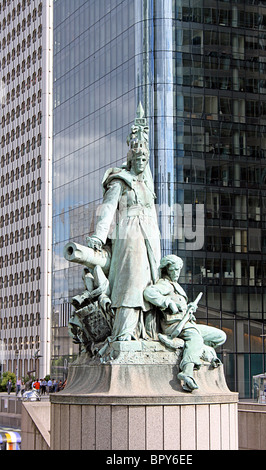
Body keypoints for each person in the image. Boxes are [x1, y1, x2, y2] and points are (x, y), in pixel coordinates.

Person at [87, 104, 161, 342]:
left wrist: (143, 131)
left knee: (151, 282)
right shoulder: (120, 180)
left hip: (150, 234)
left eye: (144, 157)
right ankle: (125, 332)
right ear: (130, 158)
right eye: (137, 157)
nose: (141, 161)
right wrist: (99, 237)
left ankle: (149, 332)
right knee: (131, 281)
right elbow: (107, 210)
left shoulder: (146, 184)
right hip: (129, 234)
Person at [144, 254, 227, 392]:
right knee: (194, 337)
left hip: (188, 324)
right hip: (175, 325)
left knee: (220, 336)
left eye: (178, 270)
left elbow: (181, 307)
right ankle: (187, 371)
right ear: (167, 269)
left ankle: (196, 349)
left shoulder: (176, 286)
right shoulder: (165, 284)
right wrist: (168, 302)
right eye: (174, 270)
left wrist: (189, 308)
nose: (177, 273)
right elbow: (149, 292)